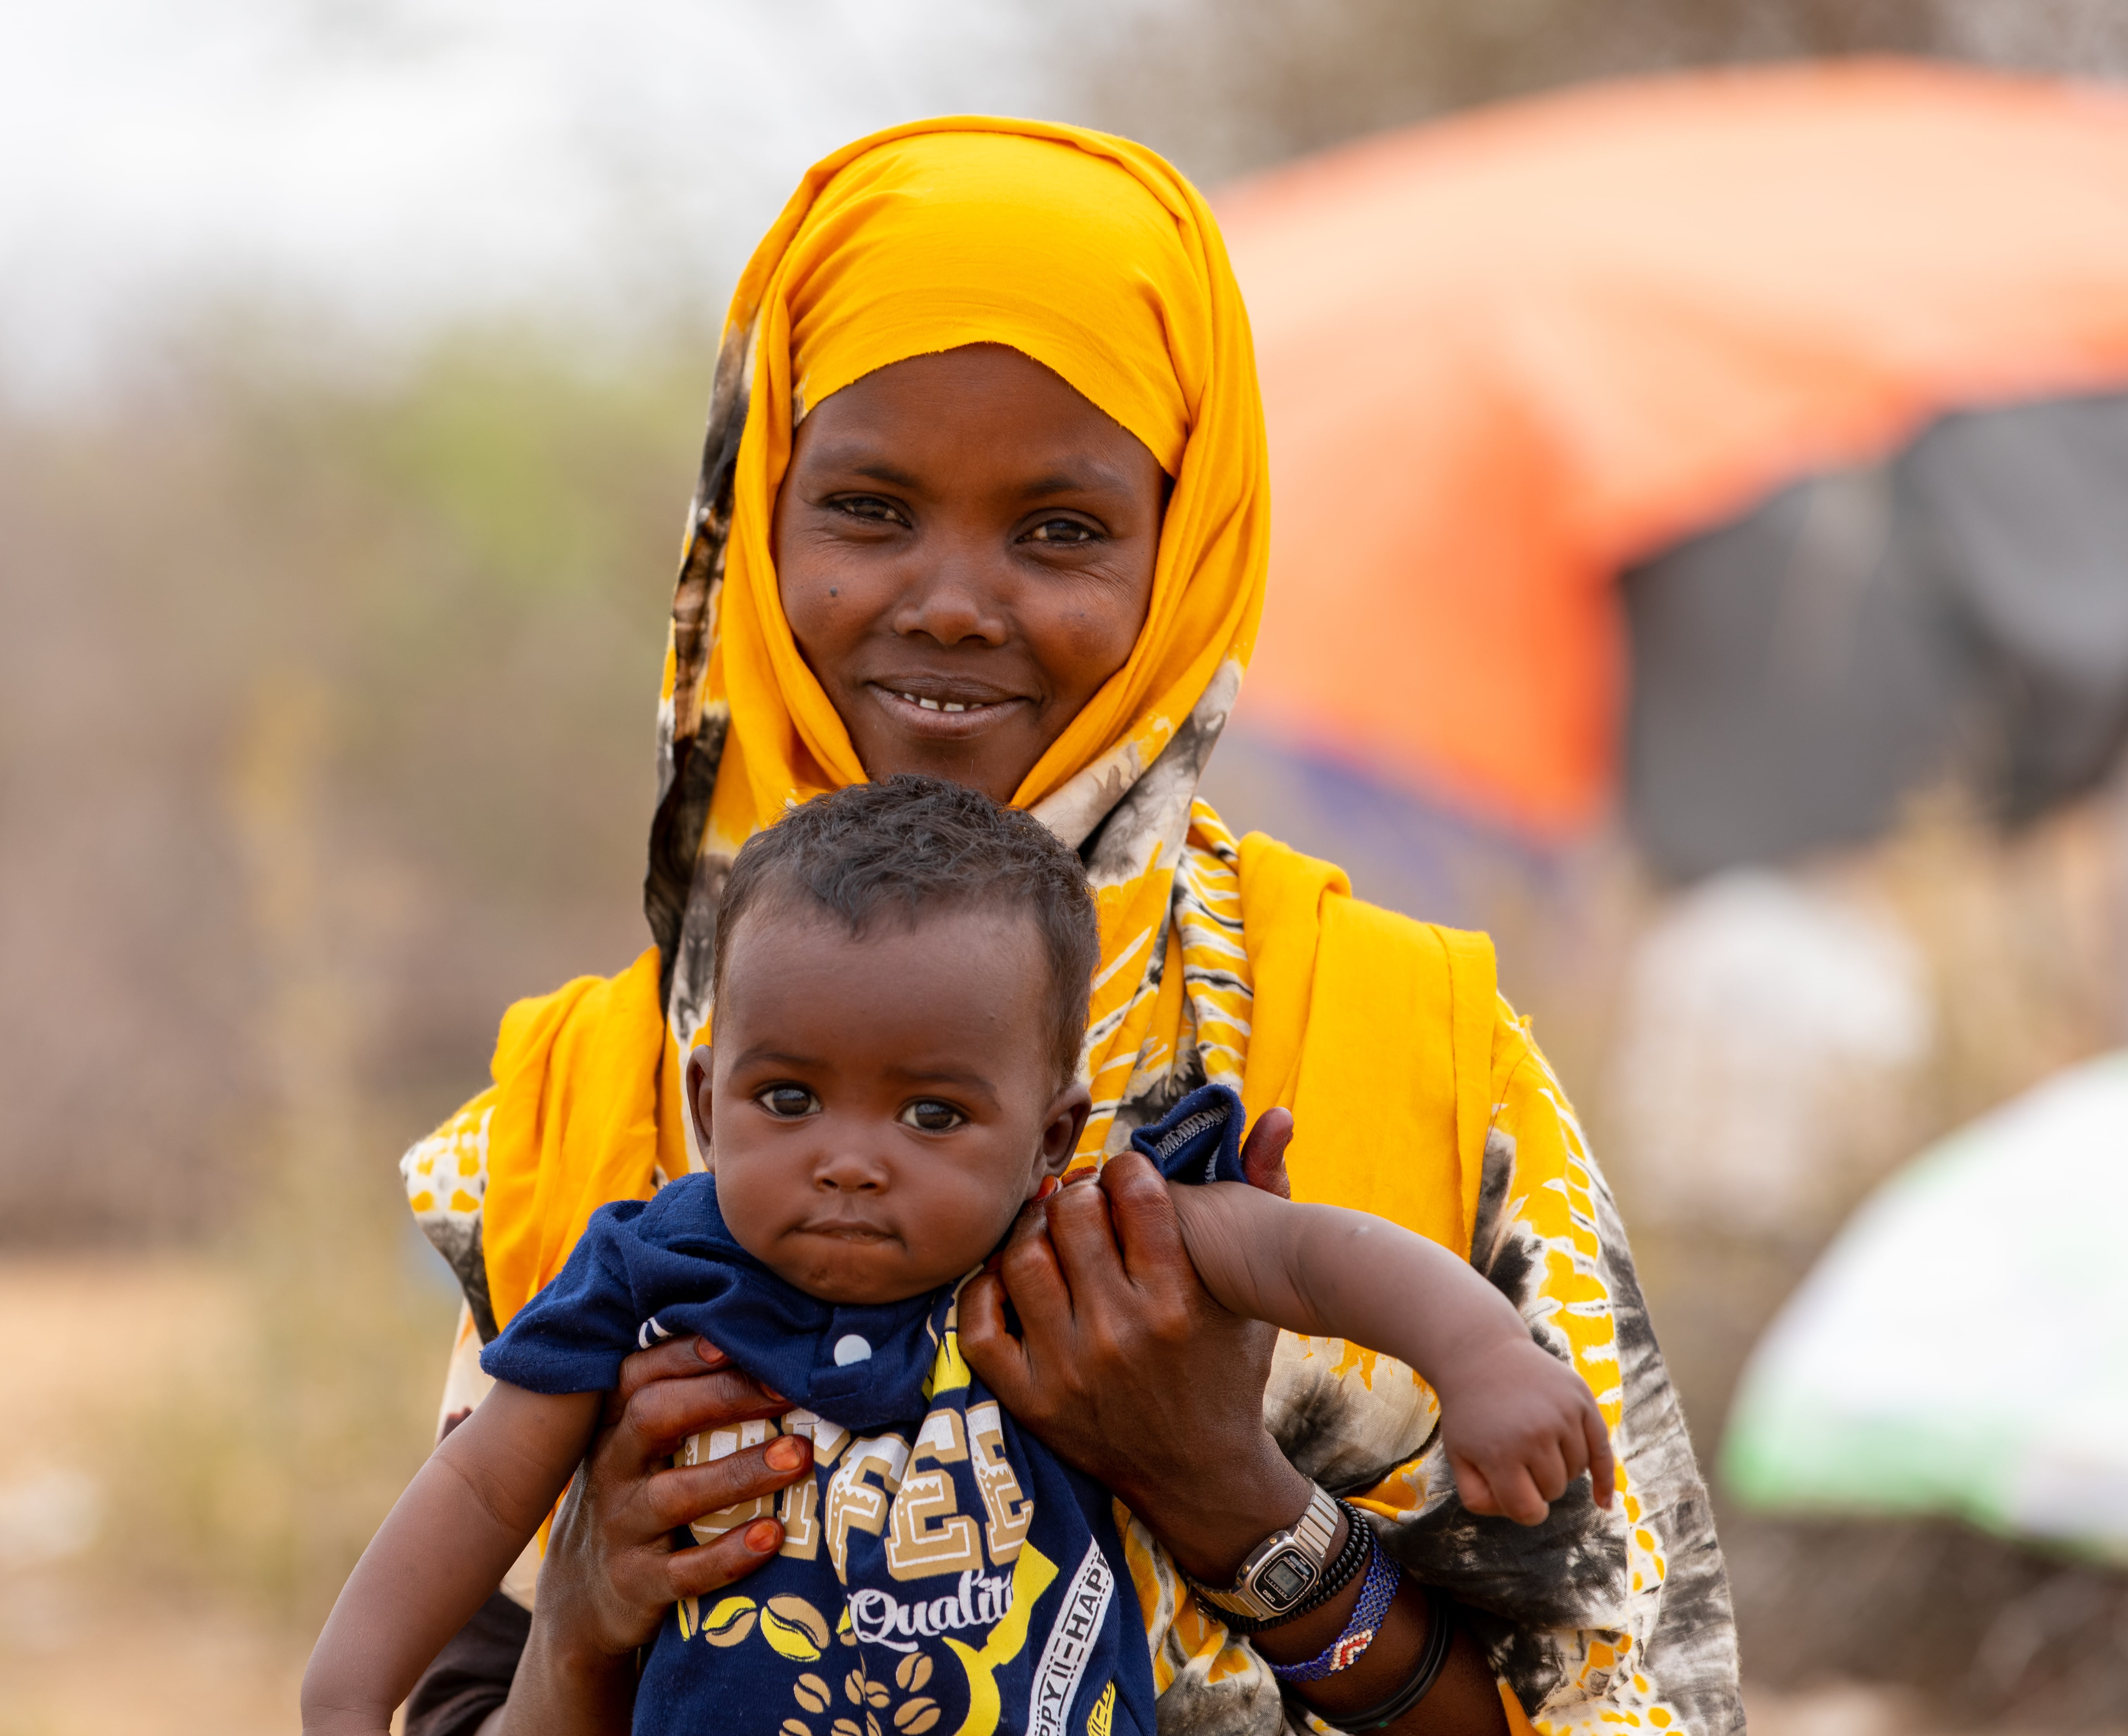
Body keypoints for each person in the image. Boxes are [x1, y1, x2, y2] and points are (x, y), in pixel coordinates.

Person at [392, 118, 1741, 1736]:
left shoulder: (1409, 1048)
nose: (955, 598)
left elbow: (1628, 1708)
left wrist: (1238, 1499)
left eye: (1061, 530)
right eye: (872, 508)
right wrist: (594, 1617)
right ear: (760, 519)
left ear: (1188, 552)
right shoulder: (587, 1106)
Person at [305, 778, 1618, 1736]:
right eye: (788, 1100)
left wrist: (1483, 1353)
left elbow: (1320, 1259)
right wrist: (349, 1692)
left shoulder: (1086, 1241)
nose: (852, 1158)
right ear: (706, 1101)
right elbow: (481, 1495)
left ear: (1049, 1132)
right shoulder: (651, 1272)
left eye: (933, 1115)